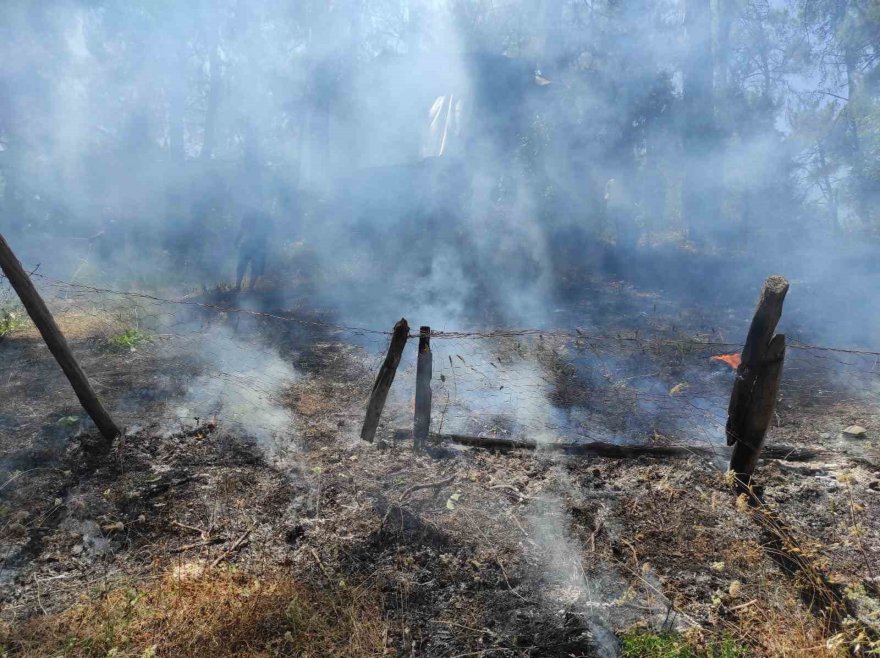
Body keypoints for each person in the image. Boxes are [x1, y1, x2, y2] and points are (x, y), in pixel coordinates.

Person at [235, 208, 273, 290]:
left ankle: (250, 288)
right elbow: (241, 230)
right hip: (247, 246)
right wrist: (237, 241)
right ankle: (238, 287)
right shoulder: (248, 216)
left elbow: (267, 234)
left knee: (255, 267)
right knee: (242, 266)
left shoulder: (264, 219)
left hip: (258, 247)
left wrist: (264, 248)